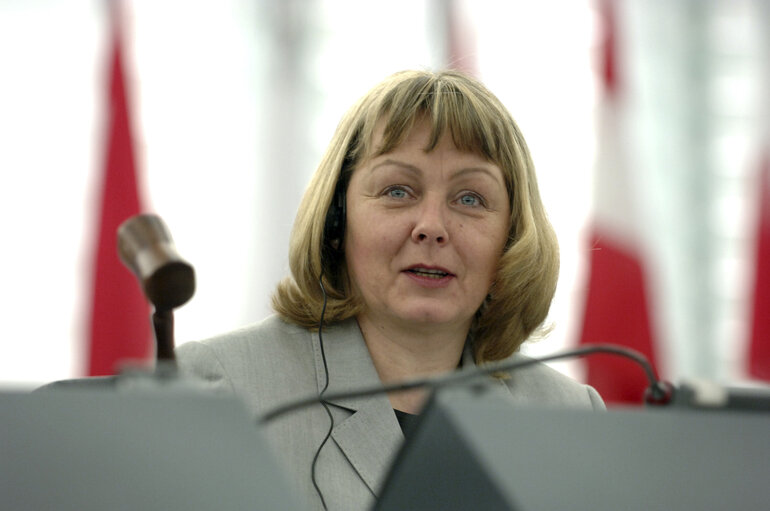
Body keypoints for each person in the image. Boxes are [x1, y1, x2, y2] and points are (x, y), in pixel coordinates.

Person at [176, 69, 604, 510]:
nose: (432, 227)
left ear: (511, 237)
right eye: (398, 190)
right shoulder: (223, 387)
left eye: (470, 198)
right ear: (338, 220)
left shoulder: (569, 415)